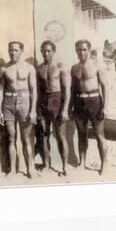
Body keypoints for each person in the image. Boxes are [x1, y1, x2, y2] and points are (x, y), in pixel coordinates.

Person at [0, 41, 37, 178]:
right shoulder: (4, 68)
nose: (12, 52)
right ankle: (12, 169)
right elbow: (0, 89)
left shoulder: (29, 68)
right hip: (8, 103)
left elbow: (33, 90)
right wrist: (1, 111)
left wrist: (33, 110)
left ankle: (30, 168)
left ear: (21, 51)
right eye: (10, 50)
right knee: (11, 138)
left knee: (26, 138)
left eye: (15, 50)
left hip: (25, 101)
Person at [69, 40, 109, 175]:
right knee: (81, 135)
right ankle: (82, 163)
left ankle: (104, 164)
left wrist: (105, 107)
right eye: (79, 50)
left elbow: (105, 87)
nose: (82, 52)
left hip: (95, 101)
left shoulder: (97, 66)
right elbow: (73, 89)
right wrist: (70, 107)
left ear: (89, 50)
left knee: (99, 135)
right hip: (79, 103)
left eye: (84, 49)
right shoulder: (74, 68)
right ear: (76, 51)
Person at [36, 40, 71, 176]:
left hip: (57, 101)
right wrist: (37, 108)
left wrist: (65, 109)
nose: (46, 53)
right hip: (43, 102)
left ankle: (64, 167)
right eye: (44, 50)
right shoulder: (39, 69)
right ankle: (46, 164)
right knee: (44, 135)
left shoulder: (61, 67)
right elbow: (38, 91)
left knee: (61, 136)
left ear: (54, 51)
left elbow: (67, 89)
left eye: (49, 51)